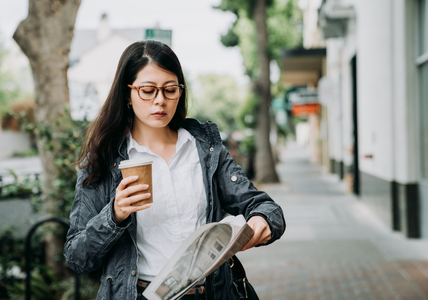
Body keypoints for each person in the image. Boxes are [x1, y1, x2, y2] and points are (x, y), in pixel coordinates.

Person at [64, 40, 286, 300]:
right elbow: (77, 258)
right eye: (148, 90)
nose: (160, 101)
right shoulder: (103, 159)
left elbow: (266, 207)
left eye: (170, 89)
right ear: (127, 94)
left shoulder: (204, 149)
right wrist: (114, 215)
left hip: (211, 293)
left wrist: (262, 221)